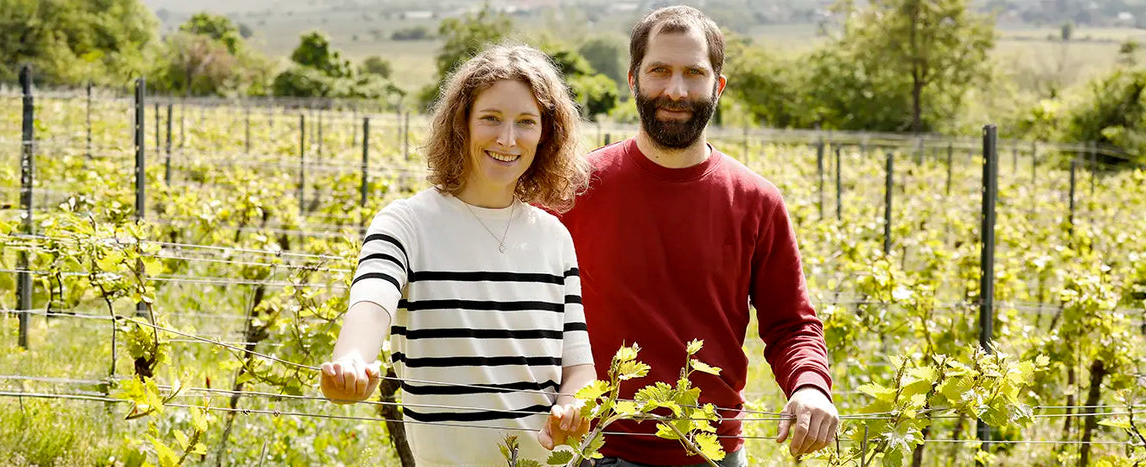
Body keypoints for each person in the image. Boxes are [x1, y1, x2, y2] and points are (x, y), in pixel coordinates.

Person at [556, 6, 839, 465]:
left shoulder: (757, 201)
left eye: (694, 73)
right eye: (659, 71)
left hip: (712, 455)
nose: (676, 90)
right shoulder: (573, 189)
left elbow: (791, 324)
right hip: (591, 450)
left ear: (717, 86)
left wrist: (810, 386)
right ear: (633, 80)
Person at [319, 44, 596, 465]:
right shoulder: (406, 224)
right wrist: (351, 361)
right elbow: (371, 306)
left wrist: (573, 408)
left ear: (546, 134)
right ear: (461, 123)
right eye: (490, 118)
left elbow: (578, 367)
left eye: (526, 122)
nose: (507, 139)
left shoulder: (554, 238)